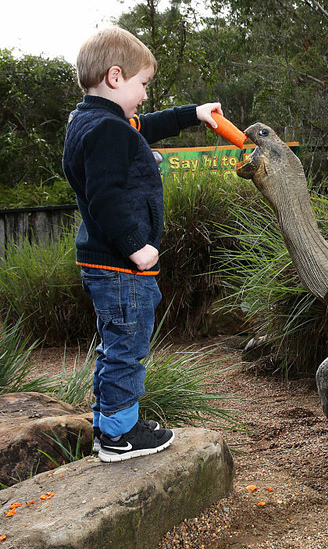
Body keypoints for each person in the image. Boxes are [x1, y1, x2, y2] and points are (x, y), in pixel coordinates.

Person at [62, 26, 223, 463]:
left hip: (103, 263)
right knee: (128, 348)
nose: (145, 96)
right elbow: (106, 197)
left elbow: (144, 127)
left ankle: (109, 424)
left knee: (113, 345)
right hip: (121, 265)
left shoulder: (91, 121)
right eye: (143, 84)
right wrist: (137, 246)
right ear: (116, 77)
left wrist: (195, 113)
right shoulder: (108, 131)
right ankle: (120, 436)